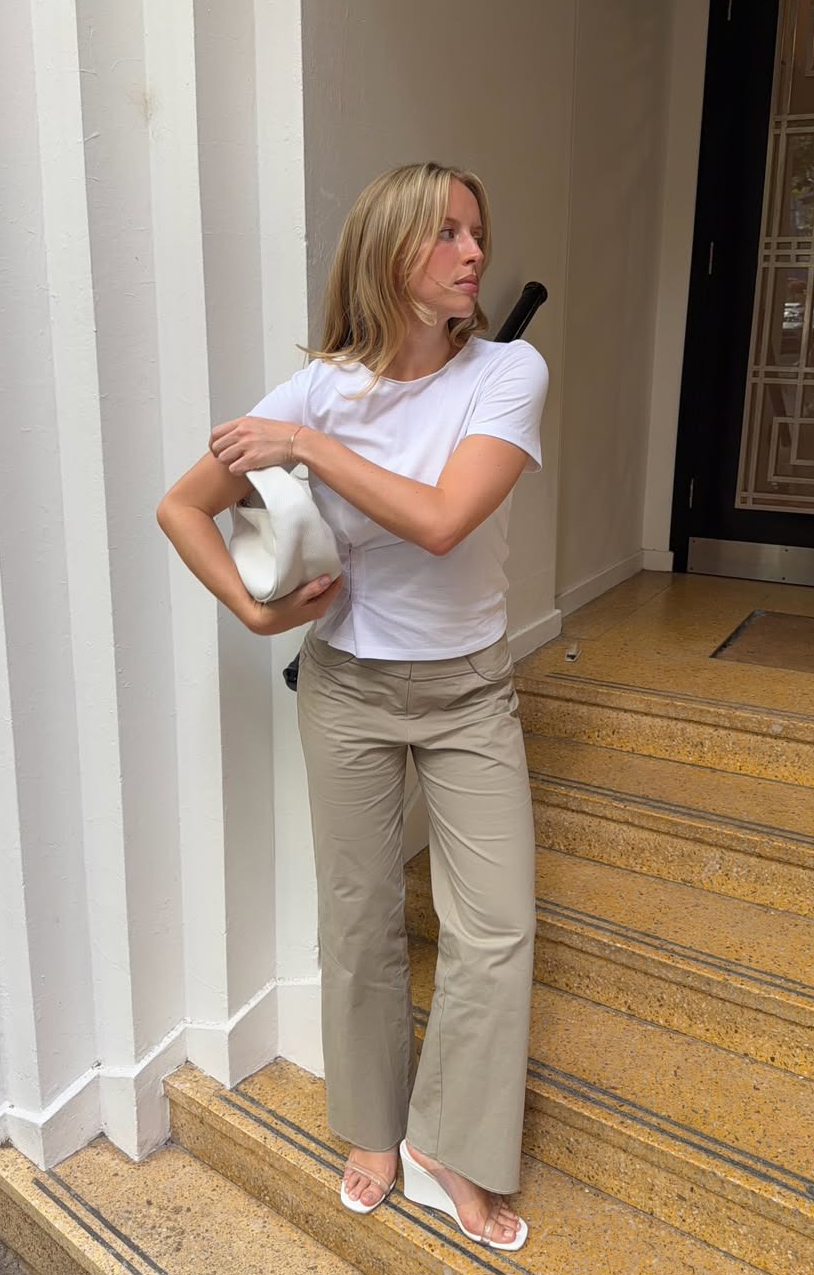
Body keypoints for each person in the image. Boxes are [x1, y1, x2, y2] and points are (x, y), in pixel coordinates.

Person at [157, 161, 549, 1252]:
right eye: (447, 235)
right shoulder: (320, 387)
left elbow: (440, 521)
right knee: (361, 916)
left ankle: (449, 1145)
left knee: (495, 927)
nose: (473, 252)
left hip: (471, 692)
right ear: (389, 255)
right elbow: (181, 504)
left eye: (477, 232)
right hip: (348, 689)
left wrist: (310, 448)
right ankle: (375, 1130)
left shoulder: (508, 373)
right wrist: (252, 609)